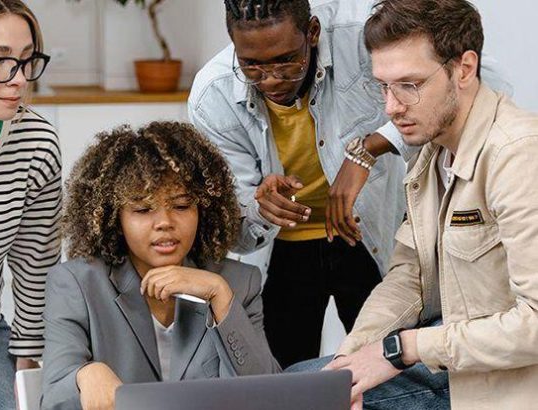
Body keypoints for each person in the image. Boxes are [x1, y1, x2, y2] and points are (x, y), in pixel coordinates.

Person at [188, 0, 511, 368]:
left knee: (393, 370)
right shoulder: (213, 95)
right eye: (252, 66)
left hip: (371, 233)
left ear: (312, 32)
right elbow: (236, 232)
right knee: (284, 378)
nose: (271, 79)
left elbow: (486, 84)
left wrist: (371, 147)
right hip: (282, 252)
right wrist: (258, 208)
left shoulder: (363, 36)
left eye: (286, 61)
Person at [317, 0, 538, 409]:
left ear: (465, 69)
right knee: (309, 384)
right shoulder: (431, 150)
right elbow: (411, 275)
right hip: (458, 369)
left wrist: (404, 348)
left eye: (410, 85)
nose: (391, 107)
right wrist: (349, 362)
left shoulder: (519, 155)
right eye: (384, 86)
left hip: (511, 391)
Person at [41, 121, 281, 410]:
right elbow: (53, 399)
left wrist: (219, 295)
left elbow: (269, 396)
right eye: (143, 209)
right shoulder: (77, 284)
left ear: (203, 209)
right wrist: (85, 375)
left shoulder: (238, 283)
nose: (165, 222)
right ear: (114, 217)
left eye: (181, 206)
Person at [0, 1, 61, 409]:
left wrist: (26, 371)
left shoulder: (36, 141)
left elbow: (37, 265)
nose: (17, 79)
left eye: (26, 60)